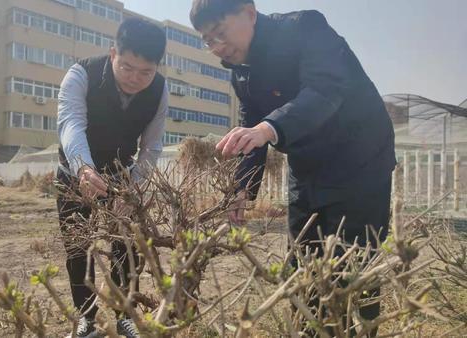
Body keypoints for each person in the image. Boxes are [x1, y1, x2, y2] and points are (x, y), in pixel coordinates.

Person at [189, 0, 396, 335]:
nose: (217, 47)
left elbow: (325, 90)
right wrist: (242, 187)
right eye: (208, 40)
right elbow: (250, 125)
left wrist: (268, 129)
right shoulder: (242, 71)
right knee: (304, 267)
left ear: (250, 13)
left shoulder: (305, 29)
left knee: (353, 269)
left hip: (360, 160)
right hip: (307, 166)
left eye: (221, 33)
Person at [55, 17, 168, 338]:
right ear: (112, 53)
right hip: (74, 174)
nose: (135, 79)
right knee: (78, 248)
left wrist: (132, 187)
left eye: (146, 72)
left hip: (122, 175)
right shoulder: (81, 74)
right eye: (127, 67)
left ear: (157, 68)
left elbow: (152, 145)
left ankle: (124, 315)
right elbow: (71, 124)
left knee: (128, 247)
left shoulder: (159, 90)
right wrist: (84, 169)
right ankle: (86, 319)